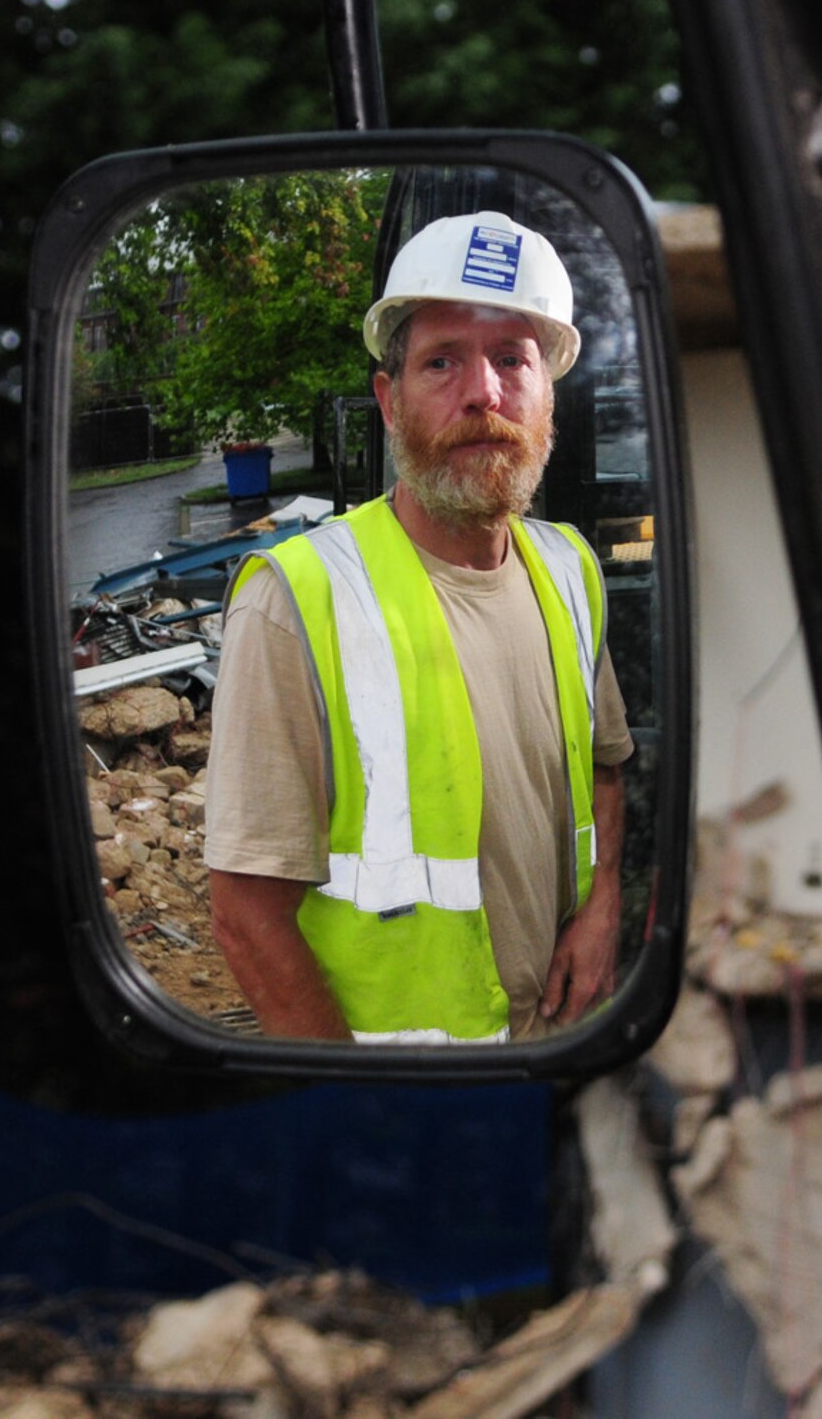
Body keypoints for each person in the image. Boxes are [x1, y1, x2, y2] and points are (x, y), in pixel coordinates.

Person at [205, 211, 633, 1043]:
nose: (484, 392)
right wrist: (356, 1106)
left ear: (550, 396)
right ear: (388, 400)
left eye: (514, 359)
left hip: (563, 1045)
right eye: (442, 361)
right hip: (406, 1099)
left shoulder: (572, 568)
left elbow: (606, 766)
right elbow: (244, 914)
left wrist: (603, 903)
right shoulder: (298, 599)